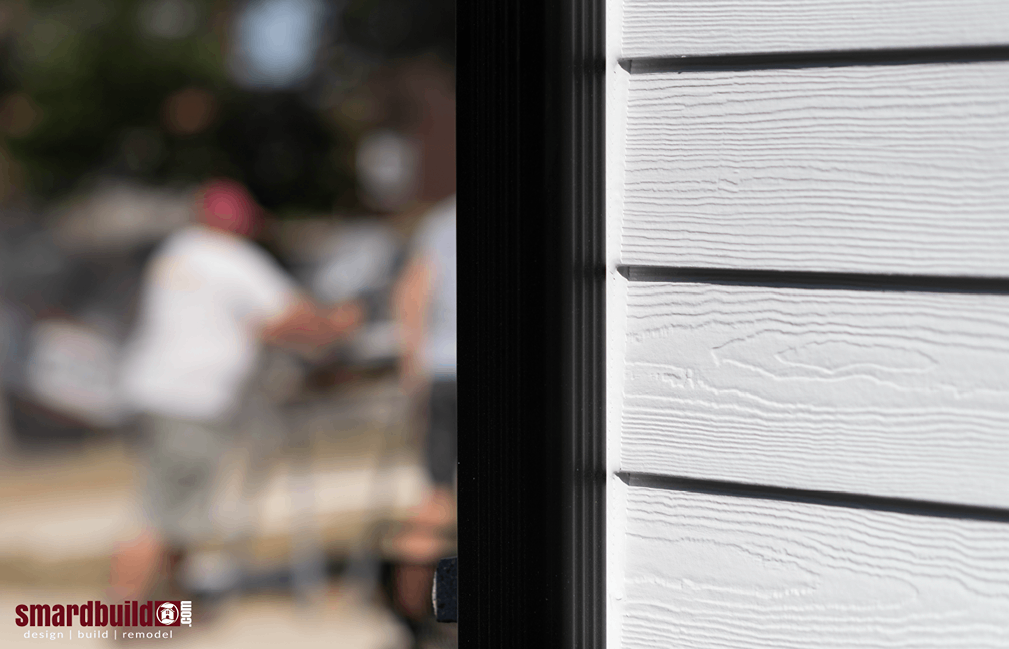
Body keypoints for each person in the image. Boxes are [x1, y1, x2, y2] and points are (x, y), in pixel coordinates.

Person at [110, 179, 361, 603]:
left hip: (151, 392)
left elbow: (256, 321)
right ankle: (123, 613)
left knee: (180, 513)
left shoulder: (178, 249)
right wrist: (337, 324)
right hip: (190, 399)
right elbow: (288, 316)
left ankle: (170, 609)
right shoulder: (230, 258)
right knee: (160, 515)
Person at [386, 194, 456, 647]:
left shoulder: (442, 216)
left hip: (443, 371)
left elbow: (412, 291)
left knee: (437, 496)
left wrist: (413, 368)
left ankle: (413, 621)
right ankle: (427, 618)